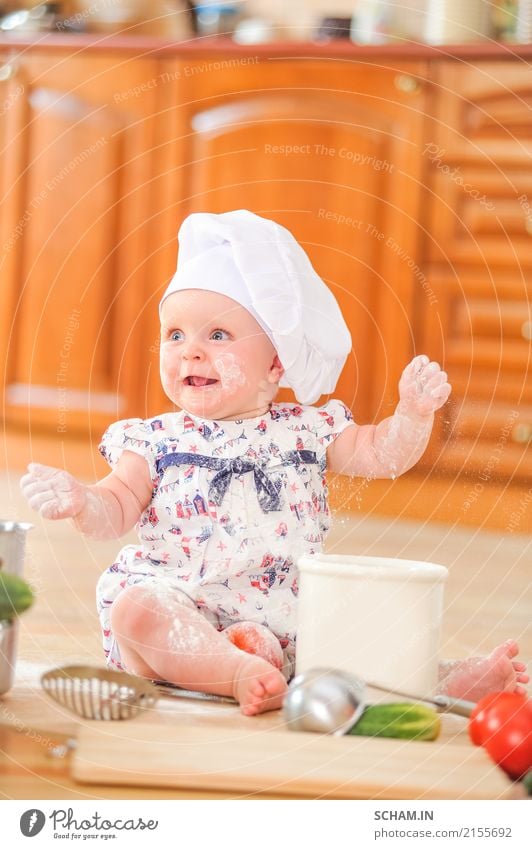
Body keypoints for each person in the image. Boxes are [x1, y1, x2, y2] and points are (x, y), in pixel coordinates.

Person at [20, 210, 529, 716]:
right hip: (183, 610)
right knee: (138, 609)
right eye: (174, 334)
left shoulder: (306, 430)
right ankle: (233, 669)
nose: (190, 352)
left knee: (359, 623)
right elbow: (115, 507)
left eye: (217, 335)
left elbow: (381, 454)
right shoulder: (155, 440)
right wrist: (83, 499)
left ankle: (436, 679)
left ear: (276, 363)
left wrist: (413, 416)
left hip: (291, 621)